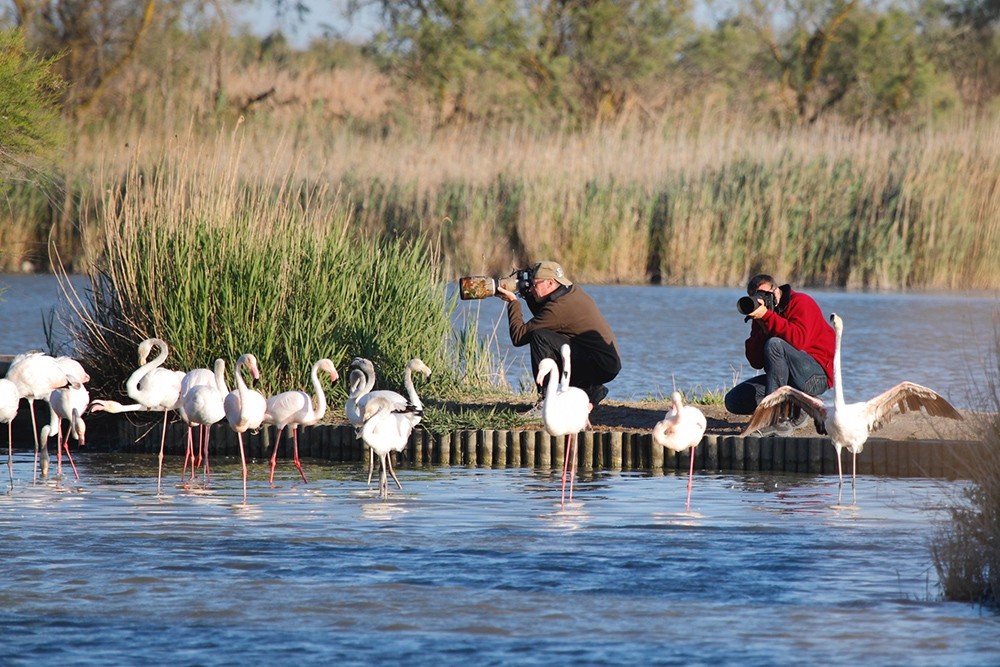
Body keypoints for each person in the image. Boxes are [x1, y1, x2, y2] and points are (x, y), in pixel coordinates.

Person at [496, 260, 621, 410]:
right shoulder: (571, 292)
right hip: (603, 362)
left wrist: (513, 302)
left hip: (600, 366)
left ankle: (546, 401)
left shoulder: (559, 308)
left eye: (534, 284)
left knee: (539, 337)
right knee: (545, 336)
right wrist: (528, 295)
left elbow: (519, 336)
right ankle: (591, 390)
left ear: (550, 283)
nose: (531, 288)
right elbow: (548, 319)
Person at [724, 273, 835, 434]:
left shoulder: (801, 302)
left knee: (774, 344)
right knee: (734, 400)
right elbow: (756, 362)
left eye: (764, 294)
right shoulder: (763, 316)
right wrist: (761, 324)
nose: (760, 299)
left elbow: (798, 341)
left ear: (775, 291)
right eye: (756, 297)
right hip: (787, 379)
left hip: (815, 376)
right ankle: (801, 407)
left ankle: (776, 420)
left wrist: (768, 317)